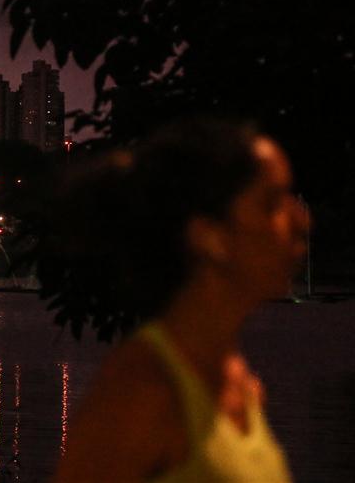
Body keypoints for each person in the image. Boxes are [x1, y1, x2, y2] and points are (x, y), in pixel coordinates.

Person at [50, 118, 309, 483]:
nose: (301, 219)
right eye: (270, 203)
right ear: (210, 236)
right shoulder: (142, 391)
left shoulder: (242, 386)